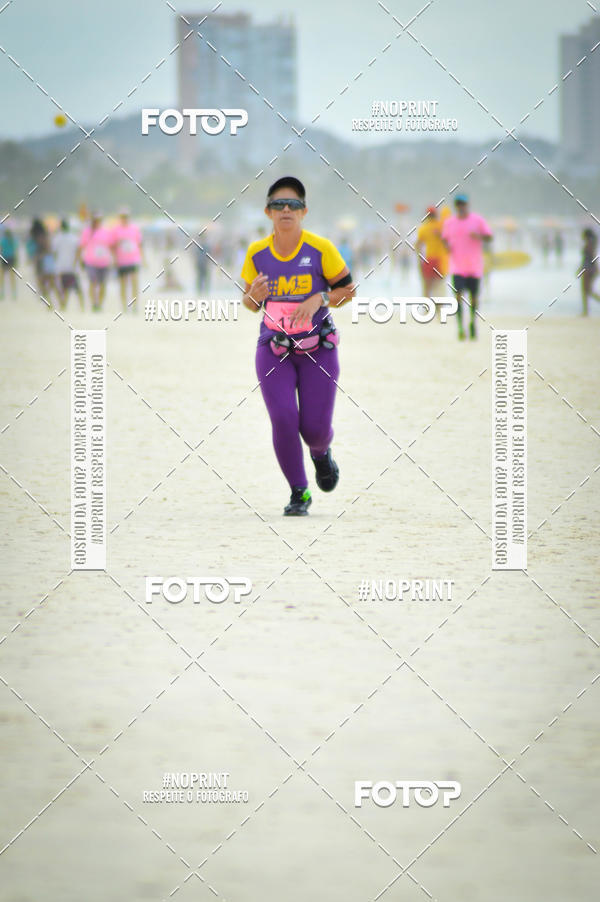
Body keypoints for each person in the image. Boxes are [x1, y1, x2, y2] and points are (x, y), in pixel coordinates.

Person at [240, 176, 355, 516]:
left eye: (292, 204)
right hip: (273, 349)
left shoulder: (321, 249)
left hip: (318, 349)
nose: (285, 209)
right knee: (284, 418)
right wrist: (252, 298)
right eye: (278, 204)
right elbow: (248, 302)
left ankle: (321, 454)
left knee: (315, 430)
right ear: (268, 212)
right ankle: (299, 492)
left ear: (304, 212)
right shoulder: (257, 252)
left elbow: (348, 291)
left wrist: (320, 297)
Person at [442, 194, 493, 340]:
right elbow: (445, 239)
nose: (461, 207)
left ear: (467, 205)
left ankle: (472, 322)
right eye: (458, 205)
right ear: (456, 206)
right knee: (457, 298)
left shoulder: (477, 221)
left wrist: (479, 237)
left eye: (463, 204)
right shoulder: (450, 223)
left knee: (474, 299)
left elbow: (489, 237)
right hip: (457, 268)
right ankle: (460, 327)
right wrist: (447, 247)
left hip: (475, 268)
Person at [78, 212, 113, 310]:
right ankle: (94, 303)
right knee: (93, 282)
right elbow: (82, 246)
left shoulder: (106, 232)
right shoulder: (87, 232)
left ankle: (100, 304)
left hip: (104, 262)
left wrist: (113, 259)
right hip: (90, 262)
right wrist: (80, 259)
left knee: (102, 284)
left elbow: (111, 246)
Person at [111, 207, 143, 312]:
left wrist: (142, 258)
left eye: (126, 217)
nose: (124, 219)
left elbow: (139, 244)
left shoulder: (134, 228)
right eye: (123, 217)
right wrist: (114, 259)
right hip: (121, 260)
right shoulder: (116, 230)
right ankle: (124, 305)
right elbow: (113, 246)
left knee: (134, 283)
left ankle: (135, 305)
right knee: (123, 284)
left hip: (133, 259)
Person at [415, 205, 449, 304]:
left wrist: (419, 260)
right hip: (439, 260)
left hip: (430, 259)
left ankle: (427, 307)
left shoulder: (424, 228)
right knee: (439, 285)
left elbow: (418, 245)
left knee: (428, 285)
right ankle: (436, 307)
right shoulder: (440, 226)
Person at [52, 219, 84, 310]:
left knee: (63, 288)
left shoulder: (57, 238)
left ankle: (63, 304)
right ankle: (81, 306)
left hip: (61, 267)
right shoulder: (74, 238)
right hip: (72, 267)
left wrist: (56, 262)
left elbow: (54, 253)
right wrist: (77, 262)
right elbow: (78, 251)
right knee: (77, 289)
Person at [580, 228, 600, 315]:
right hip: (589, 268)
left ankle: (586, 311)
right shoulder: (591, 244)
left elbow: (591, 258)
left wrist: (594, 268)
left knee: (586, 290)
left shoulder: (589, 244)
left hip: (588, 269)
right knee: (587, 290)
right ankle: (585, 311)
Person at [0, 226, 18, 300]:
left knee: (2, 277)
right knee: (12, 277)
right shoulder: (13, 240)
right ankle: (13, 293)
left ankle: (2, 292)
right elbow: (15, 250)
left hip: (4, 258)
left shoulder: (2, 240)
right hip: (11, 258)